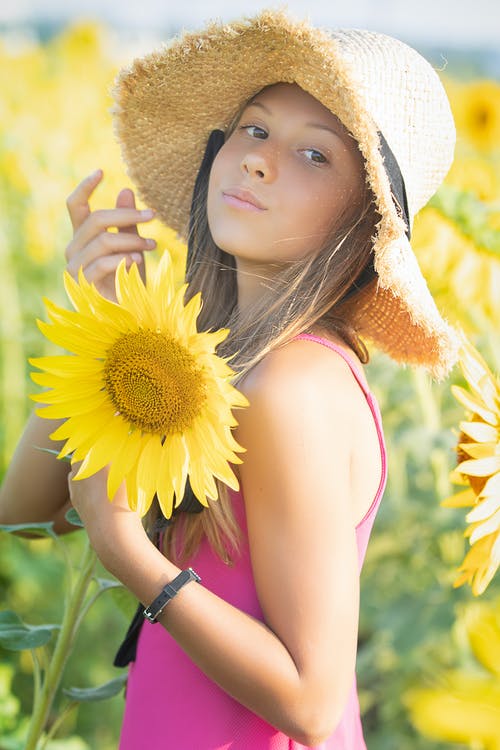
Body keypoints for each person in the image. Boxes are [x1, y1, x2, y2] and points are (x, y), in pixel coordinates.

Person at [0, 9, 459, 749]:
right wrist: (109, 334)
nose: (259, 160)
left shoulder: (292, 389)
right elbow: (30, 512)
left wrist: (130, 554)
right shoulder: (222, 363)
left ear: (360, 225)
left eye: (316, 156)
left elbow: (312, 704)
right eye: (253, 129)